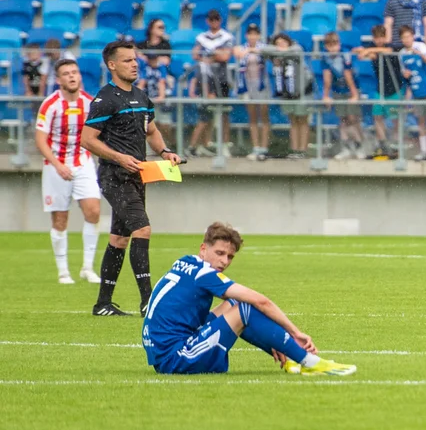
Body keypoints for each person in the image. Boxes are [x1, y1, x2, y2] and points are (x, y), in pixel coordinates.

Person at [142, 222, 357, 376]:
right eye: (219, 253)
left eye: (230, 257)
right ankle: (310, 361)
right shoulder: (205, 275)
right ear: (203, 249)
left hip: (164, 352)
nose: (224, 261)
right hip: (177, 358)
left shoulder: (186, 262)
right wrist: (295, 332)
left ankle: (290, 358)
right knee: (246, 308)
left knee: (234, 304)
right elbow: (261, 301)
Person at [81, 40, 182, 317]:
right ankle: (147, 302)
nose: (135, 64)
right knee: (143, 229)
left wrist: (165, 151)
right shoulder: (105, 99)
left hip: (138, 176)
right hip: (115, 176)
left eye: (135, 59)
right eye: (127, 60)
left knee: (119, 239)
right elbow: (87, 140)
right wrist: (119, 157)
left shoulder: (140, 96)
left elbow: (151, 131)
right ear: (112, 65)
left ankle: (103, 304)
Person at [35, 59, 102, 285]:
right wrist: (57, 164)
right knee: (60, 218)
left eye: (74, 72)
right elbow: (40, 139)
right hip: (56, 165)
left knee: (93, 211)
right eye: (66, 73)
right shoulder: (50, 104)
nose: (72, 76)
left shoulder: (90, 103)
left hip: (83, 162)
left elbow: (99, 134)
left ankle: (87, 268)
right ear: (58, 79)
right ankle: (63, 271)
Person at [189, 10, 234, 158]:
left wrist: (209, 55)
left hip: (221, 79)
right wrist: (216, 54)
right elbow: (195, 54)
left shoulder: (226, 36)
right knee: (205, 115)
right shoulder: (202, 37)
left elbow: (226, 56)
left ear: (220, 20)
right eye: (211, 19)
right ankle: (199, 145)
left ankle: (224, 145)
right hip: (205, 79)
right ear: (208, 21)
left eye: (216, 19)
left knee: (224, 114)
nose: (214, 22)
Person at [354, 25, 401, 159]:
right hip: (380, 88)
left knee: (395, 118)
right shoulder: (371, 46)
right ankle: (382, 144)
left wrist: (368, 50)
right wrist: (363, 51)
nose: (379, 40)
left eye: (381, 37)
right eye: (376, 38)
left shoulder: (391, 46)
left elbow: (386, 50)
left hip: (394, 88)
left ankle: (396, 145)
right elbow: (364, 56)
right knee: (377, 116)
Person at [261, 33, 311, 160]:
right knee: (293, 121)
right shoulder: (276, 56)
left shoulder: (296, 51)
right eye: (277, 43)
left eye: (283, 42)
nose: (280, 45)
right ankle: (294, 149)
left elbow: (297, 49)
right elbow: (264, 50)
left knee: (303, 121)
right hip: (287, 94)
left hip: (302, 93)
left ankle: (303, 150)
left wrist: (280, 50)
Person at [398, 25, 426, 161]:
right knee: (421, 121)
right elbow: (404, 72)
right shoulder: (401, 54)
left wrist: (419, 54)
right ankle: (424, 150)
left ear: (412, 36)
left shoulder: (420, 46)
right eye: (403, 37)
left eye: (408, 36)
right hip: (416, 90)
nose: (406, 40)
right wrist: (405, 74)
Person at [319, 32, 364, 161]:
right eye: (329, 45)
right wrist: (326, 96)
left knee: (352, 118)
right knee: (342, 119)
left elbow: (348, 75)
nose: (332, 48)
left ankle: (359, 146)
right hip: (338, 90)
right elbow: (327, 78)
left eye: (335, 45)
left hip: (351, 89)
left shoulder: (345, 54)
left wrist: (354, 95)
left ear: (339, 44)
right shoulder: (325, 57)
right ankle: (346, 148)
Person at [233, 24, 270, 161]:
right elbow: (238, 54)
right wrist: (251, 50)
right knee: (253, 116)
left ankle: (264, 147)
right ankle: (256, 147)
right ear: (246, 35)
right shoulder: (242, 47)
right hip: (247, 85)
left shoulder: (263, 47)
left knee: (264, 115)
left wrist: (252, 51)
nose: (253, 36)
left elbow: (266, 53)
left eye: (255, 34)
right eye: (250, 33)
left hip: (262, 85)